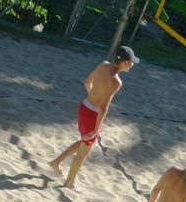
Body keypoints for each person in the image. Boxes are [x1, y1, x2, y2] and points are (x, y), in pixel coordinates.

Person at [49, 46, 139, 190]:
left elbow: (86, 82)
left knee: (84, 142)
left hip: (84, 106)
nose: (132, 64)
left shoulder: (103, 65)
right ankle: (69, 182)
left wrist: (93, 96)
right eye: (131, 62)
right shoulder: (116, 82)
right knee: (83, 152)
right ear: (124, 62)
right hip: (92, 115)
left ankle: (56, 162)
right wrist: (96, 129)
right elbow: (103, 107)